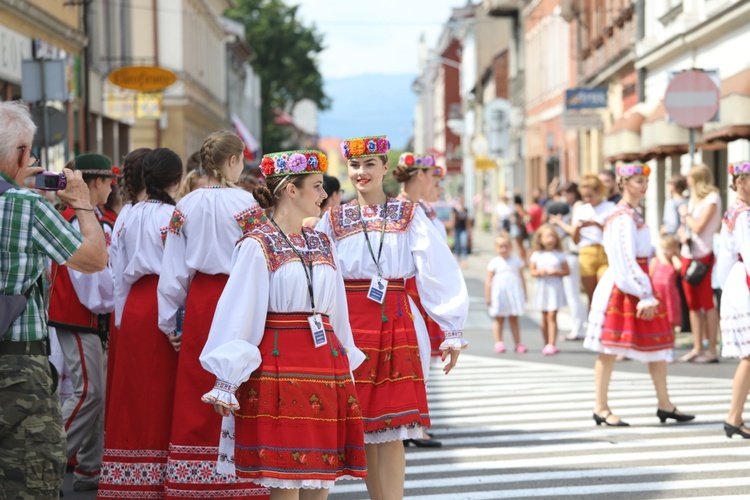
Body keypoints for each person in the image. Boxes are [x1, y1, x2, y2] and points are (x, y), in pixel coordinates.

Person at [200, 149, 367, 496]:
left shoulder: (322, 242)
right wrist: (227, 378)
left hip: (324, 367)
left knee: (320, 477)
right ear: (291, 190)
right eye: (317, 186)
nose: (324, 195)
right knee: (286, 478)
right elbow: (240, 310)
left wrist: (346, 361)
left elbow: (337, 314)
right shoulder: (258, 243)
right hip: (281, 369)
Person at [317, 135, 469, 500]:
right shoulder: (334, 218)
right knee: (364, 426)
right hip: (349, 326)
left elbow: (437, 268)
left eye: (370, 164)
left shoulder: (409, 214)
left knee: (394, 427)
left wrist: (452, 328)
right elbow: (318, 273)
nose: (361, 172)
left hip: (396, 322)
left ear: (386, 168)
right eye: (354, 165)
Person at [0, 100, 108, 499]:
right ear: (21, 153)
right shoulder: (25, 207)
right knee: (30, 475)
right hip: (16, 362)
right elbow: (94, 259)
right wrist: (81, 203)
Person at [157, 131, 268, 499]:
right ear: (234, 160)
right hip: (240, 296)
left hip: (201, 300)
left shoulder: (184, 206)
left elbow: (172, 272)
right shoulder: (248, 205)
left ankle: (194, 476)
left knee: (197, 383)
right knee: (240, 383)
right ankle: (240, 475)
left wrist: (169, 319)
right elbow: (261, 260)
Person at [98, 148, 184, 497]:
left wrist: (120, 316)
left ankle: (129, 477)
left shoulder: (127, 216)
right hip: (163, 306)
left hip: (133, 308)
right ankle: (162, 476)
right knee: (163, 396)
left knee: (134, 396)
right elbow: (179, 274)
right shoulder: (175, 216)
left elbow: (117, 271)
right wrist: (174, 323)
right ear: (177, 180)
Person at [584, 164, 695, 427]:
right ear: (623, 183)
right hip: (625, 285)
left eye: (645, 181)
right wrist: (643, 292)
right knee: (609, 347)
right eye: (636, 181)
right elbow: (623, 258)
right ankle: (600, 406)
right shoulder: (621, 216)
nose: (643, 186)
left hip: (639, 281)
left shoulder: (633, 213)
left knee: (657, 346)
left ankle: (665, 403)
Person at [48, 153, 117, 491]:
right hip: (77, 316)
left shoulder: (88, 217)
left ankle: (90, 466)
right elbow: (90, 281)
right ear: (93, 183)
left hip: (82, 316)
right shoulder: (81, 220)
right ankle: (48, 460)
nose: (111, 186)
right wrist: (112, 304)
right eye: (106, 181)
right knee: (89, 391)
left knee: (95, 392)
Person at [394, 153, 446, 448]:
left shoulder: (420, 208)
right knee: (411, 359)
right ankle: (411, 423)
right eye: (435, 180)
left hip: (422, 288)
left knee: (419, 359)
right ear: (421, 176)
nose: (438, 187)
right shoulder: (404, 209)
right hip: (411, 288)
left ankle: (417, 421)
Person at [717, 161, 750, 438]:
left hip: (737, 282)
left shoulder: (736, 211)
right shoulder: (743, 214)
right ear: (740, 181)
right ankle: (733, 416)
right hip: (745, 283)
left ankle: (734, 416)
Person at [677, 164, 722, 364]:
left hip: (704, 255)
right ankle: (697, 347)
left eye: (689, 177)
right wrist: (681, 232)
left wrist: (686, 215)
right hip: (689, 254)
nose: (687, 181)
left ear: (696, 179)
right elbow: (687, 228)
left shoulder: (712, 199)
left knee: (707, 303)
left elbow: (698, 226)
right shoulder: (694, 200)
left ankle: (711, 348)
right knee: (692, 304)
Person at [550, 182, 588, 341]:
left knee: (574, 294)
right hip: (573, 253)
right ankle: (580, 326)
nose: (565, 198)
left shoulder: (578, 206)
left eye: (567, 193)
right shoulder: (574, 206)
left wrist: (559, 223)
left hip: (574, 253)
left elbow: (573, 231)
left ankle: (579, 329)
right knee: (576, 294)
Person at [529, 224, 569, 355]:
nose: (550, 239)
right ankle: (546, 342)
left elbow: (567, 271)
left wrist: (556, 272)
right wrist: (540, 272)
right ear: (540, 239)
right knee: (544, 316)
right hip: (542, 288)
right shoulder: (536, 255)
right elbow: (532, 272)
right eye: (547, 236)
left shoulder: (559, 255)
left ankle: (552, 343)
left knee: (552, 315)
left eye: (552, 236)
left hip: (554, 288)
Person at [485, 232, 526, 354]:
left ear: (511, 247)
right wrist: (488, 295)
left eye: (506, 246)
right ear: (496, 248)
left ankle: (518, 343)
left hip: (513, 295)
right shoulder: (494, 262)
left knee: (514, 318)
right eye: (500, 246)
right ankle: (499, 342)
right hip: (499, 295)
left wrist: (524, 292)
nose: (503, 249)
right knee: (499, 318)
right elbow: (488, 281)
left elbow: (522, 277)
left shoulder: (516, 261)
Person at [650, 235, 683, 339]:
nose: (664, 251)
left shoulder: (673, 263)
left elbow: (679, 267)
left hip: (670, 296)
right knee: (656, 321)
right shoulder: (655, 261)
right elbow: (650, 276)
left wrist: (674, 256)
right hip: (658, 296)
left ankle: (671, 343)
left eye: (668, 249)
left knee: (670, 320)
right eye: (663, 248)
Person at [451, 195, 471, 262]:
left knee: (463, 243)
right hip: (457, 228)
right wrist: (452, 229)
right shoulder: (455, 209)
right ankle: (458, 256)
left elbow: (467, 220)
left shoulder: (465, 209)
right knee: (457, 243)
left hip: (463, 229)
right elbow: (453, 219)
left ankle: (464, 257)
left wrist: (469, 229)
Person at [511, 194, 528, 262]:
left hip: (517, 227)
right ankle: (523, 259)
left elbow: (523, 215)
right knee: (520, 245)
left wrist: (519, 222)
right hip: (518, 227)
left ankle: (523, 260)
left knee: (519, 245)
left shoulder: (517, 207)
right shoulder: (520, 206)